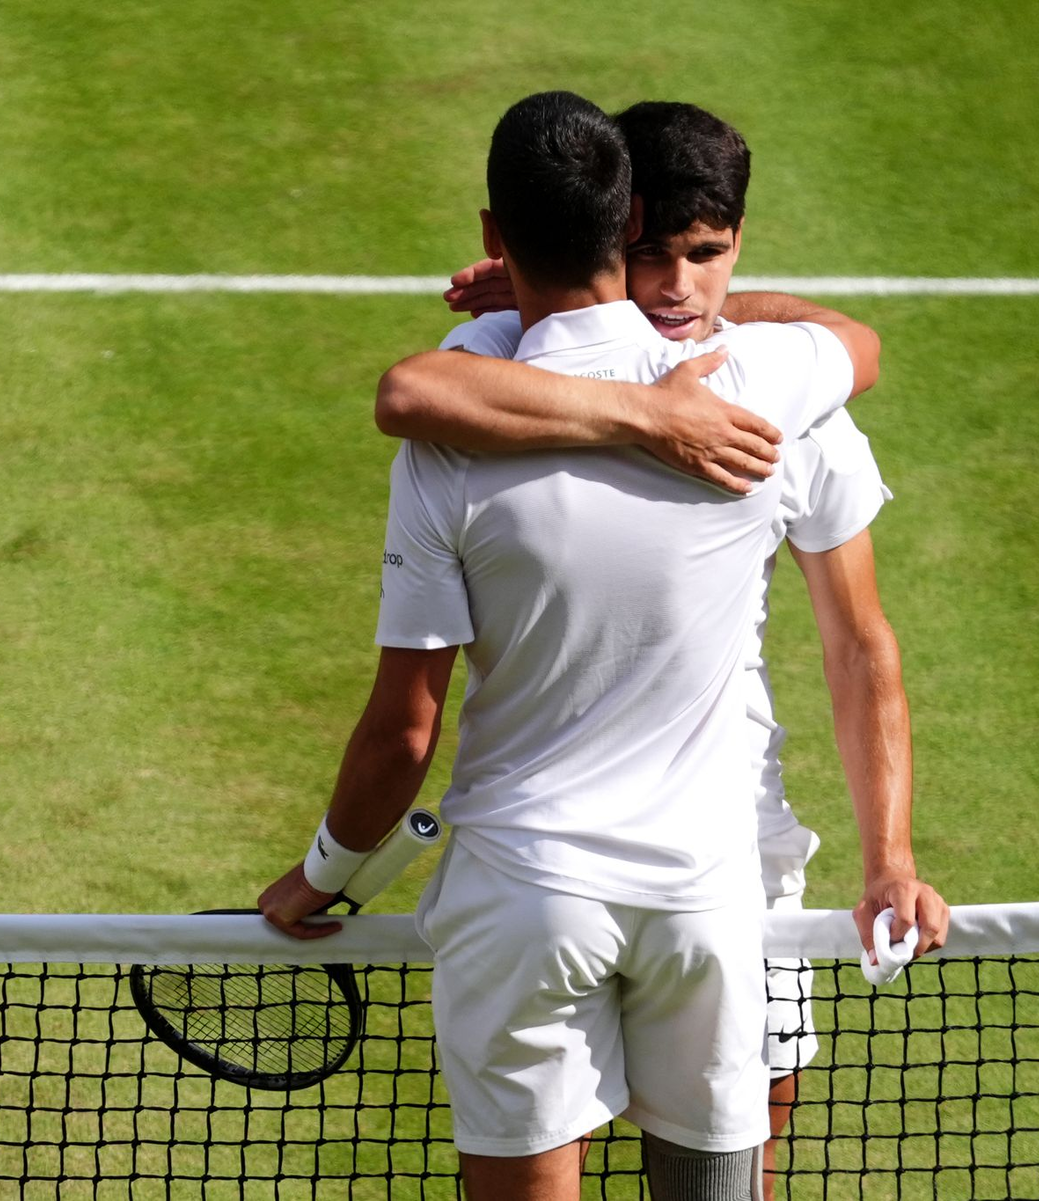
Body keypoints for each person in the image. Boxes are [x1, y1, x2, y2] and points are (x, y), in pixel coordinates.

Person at [262, 90, 879, 1201]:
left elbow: (407, 730)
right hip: (706, 895)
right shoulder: (757, 385)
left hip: (526, 893)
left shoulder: (459, 415)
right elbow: (853, 342)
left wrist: (328, 878)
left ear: (496, 237)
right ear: (629, 219)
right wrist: (658, 409)